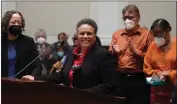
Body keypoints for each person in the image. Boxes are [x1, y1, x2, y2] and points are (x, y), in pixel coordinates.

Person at [22, 18, 117, 95]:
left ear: (95, 36)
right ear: (77, 35)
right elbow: (60, 76)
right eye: (81, 33)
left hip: (92, 100)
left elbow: (109, 85)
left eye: (89, 33)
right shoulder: (72, 53)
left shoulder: (103, 55)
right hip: (70, 99)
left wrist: (82, 94)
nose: (85, 36)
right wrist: (35, 78)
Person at [109, 4, 153, 104]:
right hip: (120, 78)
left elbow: (152, 59)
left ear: (138, 18)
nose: (127, 20)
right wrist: (115, 52)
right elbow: (109, 56)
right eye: (125, 18)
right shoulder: (117, 34)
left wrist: (136, 52)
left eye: (130, 17)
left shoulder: (147, 34)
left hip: (139, 78)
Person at [143, 19, 176, 104]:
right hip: (156, 90)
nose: (157, 37)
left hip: (174, 90)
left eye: (159, 33)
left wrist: (169, 74)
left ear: (168, 30)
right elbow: (146, 68)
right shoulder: (153, 46)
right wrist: (158, 73)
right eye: (154, 34)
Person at [1, 10, 42, 78]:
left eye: (19, 23)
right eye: (13, 22)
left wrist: (32, 76)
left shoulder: (28, 41)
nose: (16, 24)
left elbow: (37, 65)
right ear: (6, 24)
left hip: (22, 84)